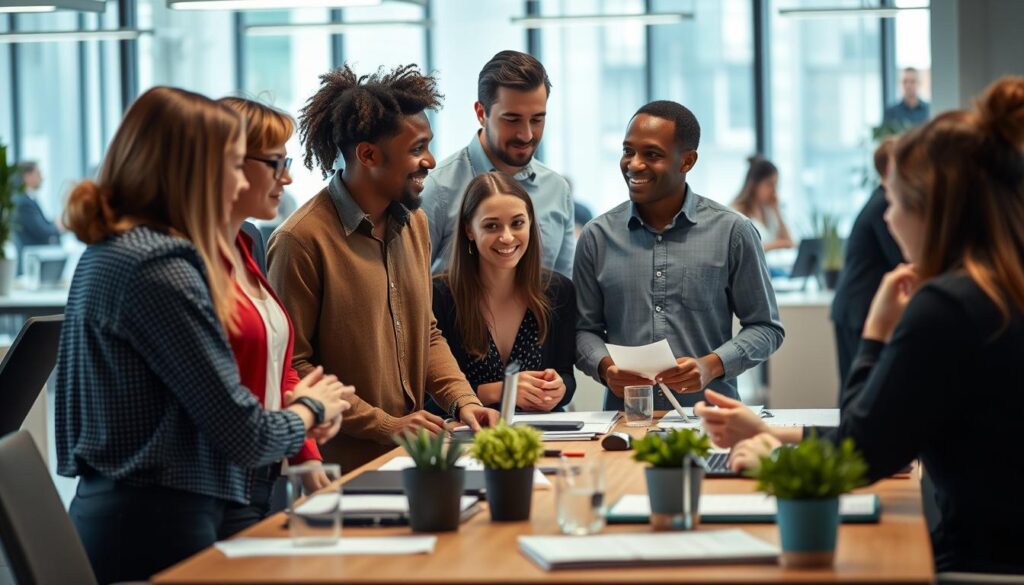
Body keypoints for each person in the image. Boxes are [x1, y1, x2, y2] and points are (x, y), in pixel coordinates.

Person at [698, 76, 1024, 575]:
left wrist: (874, 334)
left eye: (893, 203)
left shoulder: (948, 307)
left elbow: (861, 453)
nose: (888, 220)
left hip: (980, 563)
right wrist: (772, 432)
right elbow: (891, 430)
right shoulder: (1001, 289)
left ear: (930, 211)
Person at [56, 86, 352, 584]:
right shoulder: (158, 266)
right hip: (159, 522)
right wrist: (311, 408)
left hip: (149, 509)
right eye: (235, 165)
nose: (240, 179)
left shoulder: (117, 251)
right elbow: (245, 433)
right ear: (193, 170)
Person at [268, 65, 499, 472]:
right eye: (417, 148)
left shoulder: (416, 224)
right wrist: (385, 425)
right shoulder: (300, 240)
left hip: (412, 459)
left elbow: (424, 333)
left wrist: (464, 401)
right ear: (368, 155)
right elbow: (293, 366)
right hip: (339, 470)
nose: (429, 160)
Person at [574, 100, 784, 410]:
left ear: (687, 161)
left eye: (652, 155)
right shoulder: (597, 236)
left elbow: (766, 327)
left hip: (712, 418)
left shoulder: (733, 232)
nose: (634, 164)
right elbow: (583, 329)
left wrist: (711, 365)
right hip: (628, 421)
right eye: (628, 151)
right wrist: (605, 368)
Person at [217, 96, 352, 538]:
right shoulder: (184, 262)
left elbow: (279, 366)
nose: (288, 176)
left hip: (257, 477)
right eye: (276, 161)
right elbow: (231, 402)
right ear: (228, 164)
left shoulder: (247, 240)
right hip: (207, 489)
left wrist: (308, 455)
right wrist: (310, 412)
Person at [428, 171, 576, 416]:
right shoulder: (438, 296)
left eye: (517, 223)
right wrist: (503, 390)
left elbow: (566, 375)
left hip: (544, 435)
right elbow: (426, 399)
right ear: (469, 230)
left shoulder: (558, 291)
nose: (507, 237)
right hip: (467, 439)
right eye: (492, 226)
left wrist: (559, 387)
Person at [421, 50, 575, 277]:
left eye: (537, 119)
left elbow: (564, 289)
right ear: (481, 113)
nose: (526, 134)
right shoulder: (438, 189)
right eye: (512, 120)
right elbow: (412, 286)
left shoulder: (557, 189)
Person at [830, 138, 904, 389]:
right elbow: (901, 258)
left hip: (857, 307)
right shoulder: (885, 204)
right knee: (860, 387)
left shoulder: (882, 199)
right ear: (891, 168)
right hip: (858, 310)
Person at [730, 155, 794, 252]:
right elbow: (742, 251)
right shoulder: (736, 212)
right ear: (754, 185)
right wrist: (777, 244)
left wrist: (777, 211)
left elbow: (790, 242)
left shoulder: (769, 210)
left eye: (776, 185)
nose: (774, 191)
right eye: (769, 184)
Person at [11, 161, 61, 274]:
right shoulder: (23, 202)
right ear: (27, 177)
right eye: (38, 173)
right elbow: (41, 230)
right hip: (32, 264)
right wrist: (58, 227)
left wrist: (55, 224)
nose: (42, 177)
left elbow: (43, 223)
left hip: (35, 261)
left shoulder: (29, 199)